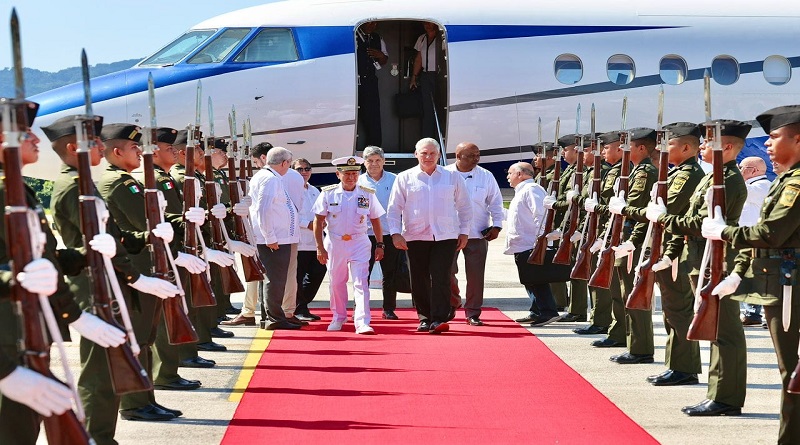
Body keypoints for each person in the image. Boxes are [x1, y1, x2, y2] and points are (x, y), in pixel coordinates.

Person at [0, 104, 127, 442]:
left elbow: (45, 259)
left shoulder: (18, 189)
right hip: (6, 338)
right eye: (25, 133)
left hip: (25, 332)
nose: (34, 139)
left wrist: (87, 257)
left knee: (23, 428)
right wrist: (4, 371)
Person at [701, 105, 800, 442]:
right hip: (780, 285)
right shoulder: (785, 180)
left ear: (798, 140)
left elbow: (771, 233)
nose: (768, 145)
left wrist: (725, 233)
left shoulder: (796, 184)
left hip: (790, 288)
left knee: (793, 372)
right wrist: (739, 271)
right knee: (792, 373)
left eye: (774, 137)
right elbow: (761, 232)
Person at [97, 123, 208, 421]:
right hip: (137, 268)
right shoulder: (118, 184)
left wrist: (181, 217)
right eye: (135, 147)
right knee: (139, 338)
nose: (140, 151)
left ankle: (145, 399)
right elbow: (144, 223)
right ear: (117, 152)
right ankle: (134, 403)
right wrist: (177, 222)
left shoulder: (126, 181)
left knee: (144, 339)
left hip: (147, 263)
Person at [650, 119, 750, 416]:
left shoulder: (730, 180)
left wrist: (664, 218)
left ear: (727, 147)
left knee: (725, 330)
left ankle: (726, 398)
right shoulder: (712, 178)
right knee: (715, 328)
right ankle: (718, 393)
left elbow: (700, 224)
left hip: (717, 260)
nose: (702, 147)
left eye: (707, 143)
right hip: (700, 258)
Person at [629, 123, 705, 385]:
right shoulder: (675, 173)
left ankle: (684, 368)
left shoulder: (687, 175)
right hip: (666, 249)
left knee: (679, 311)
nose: (662, 149)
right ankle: (676, 364)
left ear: (686, 147)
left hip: (677, 252)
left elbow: (667, 209)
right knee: (671, 312)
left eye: (669, 144)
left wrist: (633, 211)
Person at [387, 138, 471, 333]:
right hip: (415, 235)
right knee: (419, 278)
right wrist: (395, 233)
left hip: (446, 235)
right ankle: (424, 317)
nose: (428, 157)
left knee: (442, 276)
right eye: (424, 153)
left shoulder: (452, 177)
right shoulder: (405, 178)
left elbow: (465, 207)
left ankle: (439, 318)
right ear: (416, 154)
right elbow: (394, 209)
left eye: (432, 153)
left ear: (439, 155)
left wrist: (464, 232)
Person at [599, 128, 658, 364]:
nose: (624, 149)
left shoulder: (644, 172)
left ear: (641, 148)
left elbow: (634, 208)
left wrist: (631, 241)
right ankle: (630, 341)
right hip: (624, 238)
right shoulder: (634, 171)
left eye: (628, 146)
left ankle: (641, 348)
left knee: (633, 295)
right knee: (622, 292)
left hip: (634, 239)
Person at [314, 156, 385, 334]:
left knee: (361, 282)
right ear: (338, 174)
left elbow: (375, 219)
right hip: (335, 242)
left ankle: (361, 321)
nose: (351, 177)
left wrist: (380, 243)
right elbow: (318, 220)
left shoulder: (366, 193)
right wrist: (319, 247)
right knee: (337, 281)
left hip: (359, 241)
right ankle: (338, 316)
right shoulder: (328, 193)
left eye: (355, 173)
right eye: (347, 174)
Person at [445, 142, 504, 326]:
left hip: (477, 233)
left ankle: (473, 312)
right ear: (458, 156)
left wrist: (497, 226)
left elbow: (496, 202)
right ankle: (453, 301)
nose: (476, 159)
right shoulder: (444, 174)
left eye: (478, 155)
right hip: (449, 233)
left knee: (476, 276)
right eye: (471, 155)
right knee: (446, 272)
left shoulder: (485, 176)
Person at [571, 131, 620, 335]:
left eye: (605, 148)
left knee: (604, 279)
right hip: (594, 228)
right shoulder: (603, 171)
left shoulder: (613, 172)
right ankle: (597, 318)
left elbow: (605, 203)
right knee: (594, 275)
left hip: (604, 230)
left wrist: (579, 200)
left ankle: (601, 320)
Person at [249, 144, 302, 330]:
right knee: (275, 279)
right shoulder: (270, 179)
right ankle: (275, 318)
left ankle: (271, 316)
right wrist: (269, 236)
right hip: (274, 239)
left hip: (276, 237)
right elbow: (263, 210)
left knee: (273, 279)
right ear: (285, 162)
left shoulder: (270, 177)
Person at [224, 141, 274, 327]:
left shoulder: (263, 176)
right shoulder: (280, 175)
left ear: (262, 158)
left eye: (255, 161)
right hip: (272, 233)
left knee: (258, 273)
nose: (255, 165)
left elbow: (260, 208)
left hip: (261, 233)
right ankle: (253, 311)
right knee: (256, 272)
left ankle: (252, 311)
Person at [504, 162, 561, 326]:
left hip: (531, 243)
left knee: (536, 279)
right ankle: (536, 311)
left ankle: (548, 311)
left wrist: (542, 240)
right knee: (530, 279)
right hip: (522, 243)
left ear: (520, 174)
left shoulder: (531, 189)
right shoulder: (521, 191)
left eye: (510, 173)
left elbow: (541, 214)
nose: (508, 176)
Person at [359, 145, 401, 320]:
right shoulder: (358, 181)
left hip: (390, 233)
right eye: (370, 161)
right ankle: (361, 308)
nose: (374, 164)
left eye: (378, 160)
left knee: (390, 274)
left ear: (384, 161)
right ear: (364, 162)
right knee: (362, 274)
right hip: (364, 234)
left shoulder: (395, 180)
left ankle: (389, 308)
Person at [737, 156, 772, 326]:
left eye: (742, 167)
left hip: (755, 239)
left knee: (755, 276)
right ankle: (751, 313)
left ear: (754, 170)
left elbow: (736, 189)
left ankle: (754, 313)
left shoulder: (761, 186)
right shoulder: (752, 186)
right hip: (745, 238)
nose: (739, 169)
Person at [293, 158, 326, 322]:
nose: (304, 172)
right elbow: (289, 215)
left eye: (307, 168)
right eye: (300, 169)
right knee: (297, 277)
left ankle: (301, 304)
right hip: (298, 242)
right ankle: (300, 308)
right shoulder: (290, 190)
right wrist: (309, 224)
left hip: (315, 242)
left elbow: (321, 212)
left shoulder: (315, 190)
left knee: (318, 272)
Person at [410, 22, 443, 141]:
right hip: (426, 76)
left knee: (440, 108)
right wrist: (414, 77)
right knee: (428, 109)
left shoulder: (442, 38)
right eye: (425, 23)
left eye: (430, 23)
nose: (427, 25)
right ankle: (427, 140)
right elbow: (419, 58)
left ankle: (439, 140)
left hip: (439, 76)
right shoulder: (422, 38)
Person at [357, 21, 388, 147]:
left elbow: (385, 60)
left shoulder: (377, 38)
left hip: (369, 81)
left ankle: (374, 149)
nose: (372, 26)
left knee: (373, 116)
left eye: (375, 24)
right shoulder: (354, 36)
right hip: (353, 81)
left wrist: (380, 55)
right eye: (370, 23)